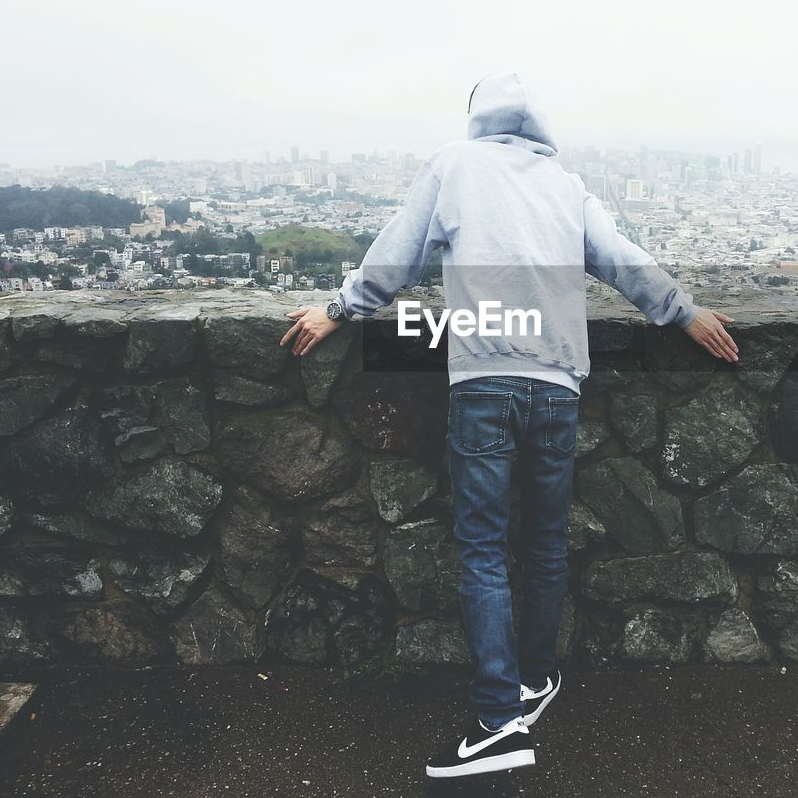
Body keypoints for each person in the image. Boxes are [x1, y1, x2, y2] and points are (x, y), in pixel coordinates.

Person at [279, 72, 738, 779]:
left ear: (476, 117)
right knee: (546, 545)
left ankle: (499, 722)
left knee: (485, 550)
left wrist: (337, 309)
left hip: (487, 379)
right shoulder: (566, 184)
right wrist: (685, 311)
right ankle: (535, 679)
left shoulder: (455, 165)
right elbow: (623, 261)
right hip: (557, 385)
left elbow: (398, 252)